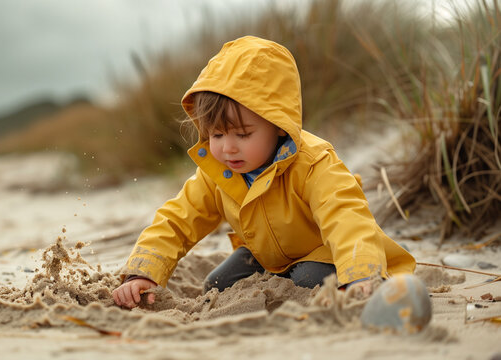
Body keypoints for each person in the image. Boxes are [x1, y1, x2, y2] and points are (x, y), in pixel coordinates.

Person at [112, 36, 415, 309]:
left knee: (307, 278)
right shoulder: (218, 171)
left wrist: (361, 273)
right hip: (269, 258)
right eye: (216, 135)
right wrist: (145, 271)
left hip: (325, 252)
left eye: (242, 135)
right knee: (216, 285)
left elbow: (346, 217)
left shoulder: (314, 163)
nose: (227, 149)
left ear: (278, 126)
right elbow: (178, 219)